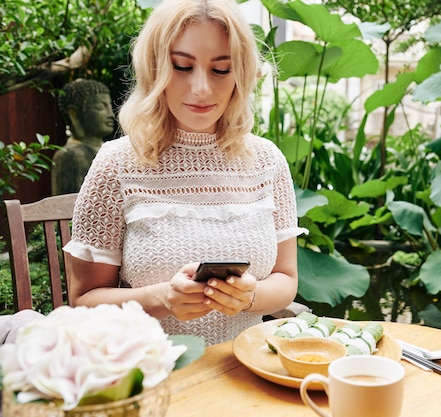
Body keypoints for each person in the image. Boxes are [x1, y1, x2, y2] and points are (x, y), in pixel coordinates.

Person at [63, 0, 305, 345]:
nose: (202, 88)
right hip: (150, 373)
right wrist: (161, 299)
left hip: (244, 372)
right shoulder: (116, 164)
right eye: (181, 66)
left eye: (221, 70)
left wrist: (250, 297)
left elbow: (286, 278)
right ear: (153, 66)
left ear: (243, 74)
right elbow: (83, 300)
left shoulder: (267, 161)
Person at [52, 79, 115, 195]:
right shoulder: (70, 155)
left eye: (109, 107)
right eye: (101, 107)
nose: (111, 114)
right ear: (74, 115)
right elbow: (68, 206)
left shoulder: (109, 151)